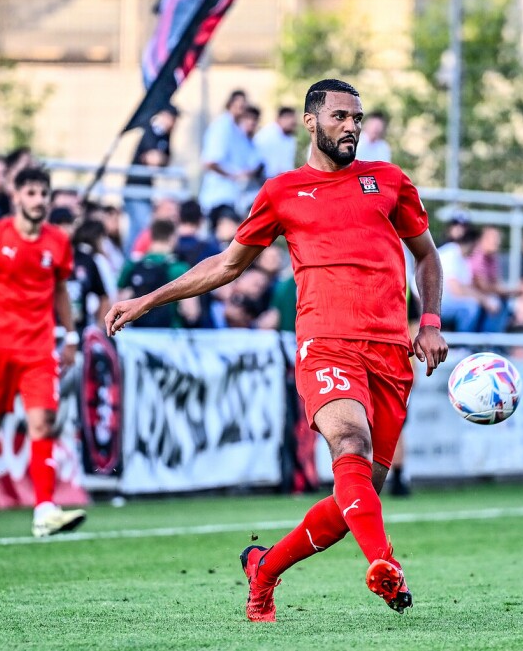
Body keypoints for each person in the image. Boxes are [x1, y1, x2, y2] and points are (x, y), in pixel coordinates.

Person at [106, 79, 448, 621]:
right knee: (349, 445)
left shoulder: (389, 181)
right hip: (326, 345)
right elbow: (225, 265)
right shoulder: (283, 191)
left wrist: (428, 320)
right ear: (311, 122)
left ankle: (264, 570)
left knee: (355, 499)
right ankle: (385, 565)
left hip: (390, 353)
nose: (351, 127)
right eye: (340, 116)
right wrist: (149, 298)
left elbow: (427, 257)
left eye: (357, 118)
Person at [0, 167, 86, 540]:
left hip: (39, 349)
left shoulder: (58, 241)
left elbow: (60, 291)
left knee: (43, 423)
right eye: (31, 193)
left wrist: (70, 335)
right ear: (16, 197)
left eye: (43, 193)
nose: (38, 200)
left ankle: (44, 510)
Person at [117, 218, 199, 328]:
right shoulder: (178, 268)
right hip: (171, 335)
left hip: (138, 335)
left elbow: (119, 304)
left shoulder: (132, 265)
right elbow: (191, 312)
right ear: (172, 238)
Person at [199, 90, 261, 216]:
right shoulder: (222, 126)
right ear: (230, 104)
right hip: (218, 197)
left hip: (233, 197)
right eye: (239, 104)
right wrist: (234, 175)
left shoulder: (237, 131)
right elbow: (210, 162)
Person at [254, 106, 298, 180]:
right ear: (280, 119)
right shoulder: (267, 134)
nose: (292, 124)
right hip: (264, 179)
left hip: (283, 179)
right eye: (289, 120)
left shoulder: (290, 138)